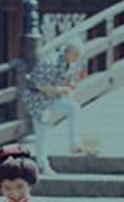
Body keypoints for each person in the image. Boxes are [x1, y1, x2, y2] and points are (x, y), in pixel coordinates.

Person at [23, 44, 85, 174]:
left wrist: (68, 86)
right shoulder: (50, 62)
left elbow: (64, 81)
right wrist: (61, 89)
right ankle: (42, 165)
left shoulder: (69, 64)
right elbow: (39, 85)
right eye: (76, 55)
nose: (77, 59)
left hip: (52, 98)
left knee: (73, 108)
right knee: (42, 133)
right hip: (37, 99)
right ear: (68, 52)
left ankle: (74, 144)